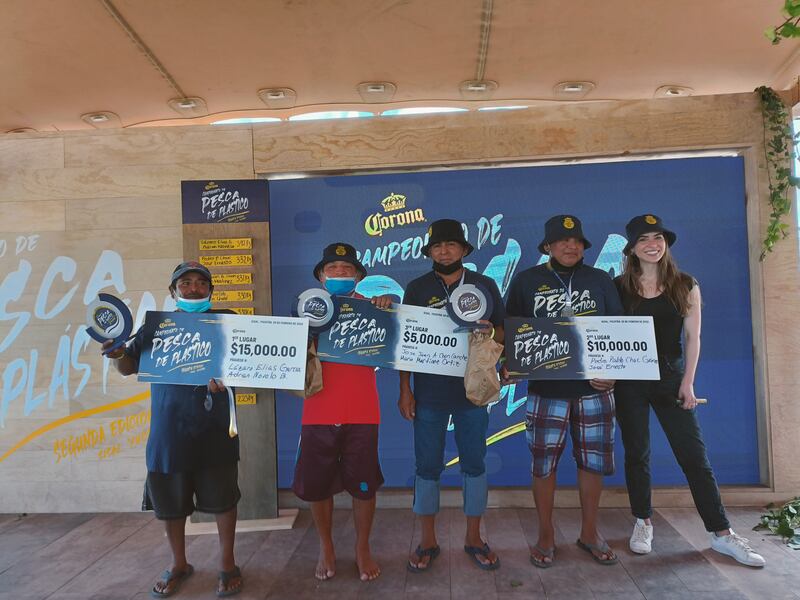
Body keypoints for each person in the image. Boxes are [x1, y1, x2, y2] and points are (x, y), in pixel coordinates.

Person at [614, 214, 765, 567]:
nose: (652, 244)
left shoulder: (685, 284)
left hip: (670, 378)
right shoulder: (618, 287)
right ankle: (642, 521)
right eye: (643, 239)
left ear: (666, 243)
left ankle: (722, 534)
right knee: (637, 453)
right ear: (632, 249)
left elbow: (693, 337)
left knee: (694, 457)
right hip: (629, 381)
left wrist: (688, 382)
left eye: (658, 237)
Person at [103, 261, 243, 597]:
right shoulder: (156, 326)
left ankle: (227, 564)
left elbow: (249, 363)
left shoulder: (230, 320)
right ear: (173, 291)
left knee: (223, 499)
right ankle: (178, 563)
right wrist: (117, 353)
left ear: (211, 290)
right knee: (169, 502)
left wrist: (230, 378)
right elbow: (128, 367)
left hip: (215, 428)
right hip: (169, 430)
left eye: (201, 283)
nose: (194, 288)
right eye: (186, 283)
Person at [505, 214, 622, 567]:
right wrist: (510, 364)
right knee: (543, 465)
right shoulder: (527, 280)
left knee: (593, 463)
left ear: (584, 246)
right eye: (562, 241)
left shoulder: (600, 280)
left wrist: (614, 374)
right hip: (546, 390)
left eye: (576, 241)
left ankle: (590, 532)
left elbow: (619, 329)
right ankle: (545, 534)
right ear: (548, 247)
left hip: (595, 390)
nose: (571, 246)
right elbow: (512, 332)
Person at [399, 218, 505, 572]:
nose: (444, 251)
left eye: (450, 245)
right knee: (427, 466)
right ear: (430, 252)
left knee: (474, 464)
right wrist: (405, 389)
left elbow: (503, 329)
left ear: (463, 250)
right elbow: (406, 341)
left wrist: (491, 336)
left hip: (472, 393)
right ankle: (427, 541)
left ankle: (474, 537)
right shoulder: (417, 288)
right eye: (437, 246)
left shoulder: (483, 284)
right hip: (429, 393)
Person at [292, 242, 390, 582]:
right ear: (321, 277)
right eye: (332, 269)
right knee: (318, 486)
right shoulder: (305, 309)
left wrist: (387, 308)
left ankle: (363, 548)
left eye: (346, 269)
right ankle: (326, 546)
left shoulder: (375, 308)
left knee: (364, 487)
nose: (339, 273)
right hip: (317, 409)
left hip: (363, 410)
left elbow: (401, 342)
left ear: (358, 276)